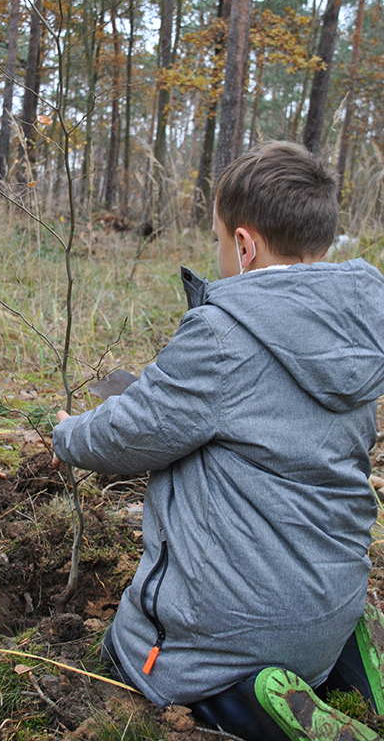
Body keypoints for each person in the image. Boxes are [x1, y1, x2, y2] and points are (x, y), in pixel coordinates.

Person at [51, 142, 384, 741]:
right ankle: (345, 670)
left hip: (234, 637)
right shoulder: (357, 333)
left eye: (218, 240)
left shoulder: (224, 334)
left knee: (133, 654)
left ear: (245, 246)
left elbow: (130, 434)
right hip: (333, 600)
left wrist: (67, 433)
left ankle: (249, 704)